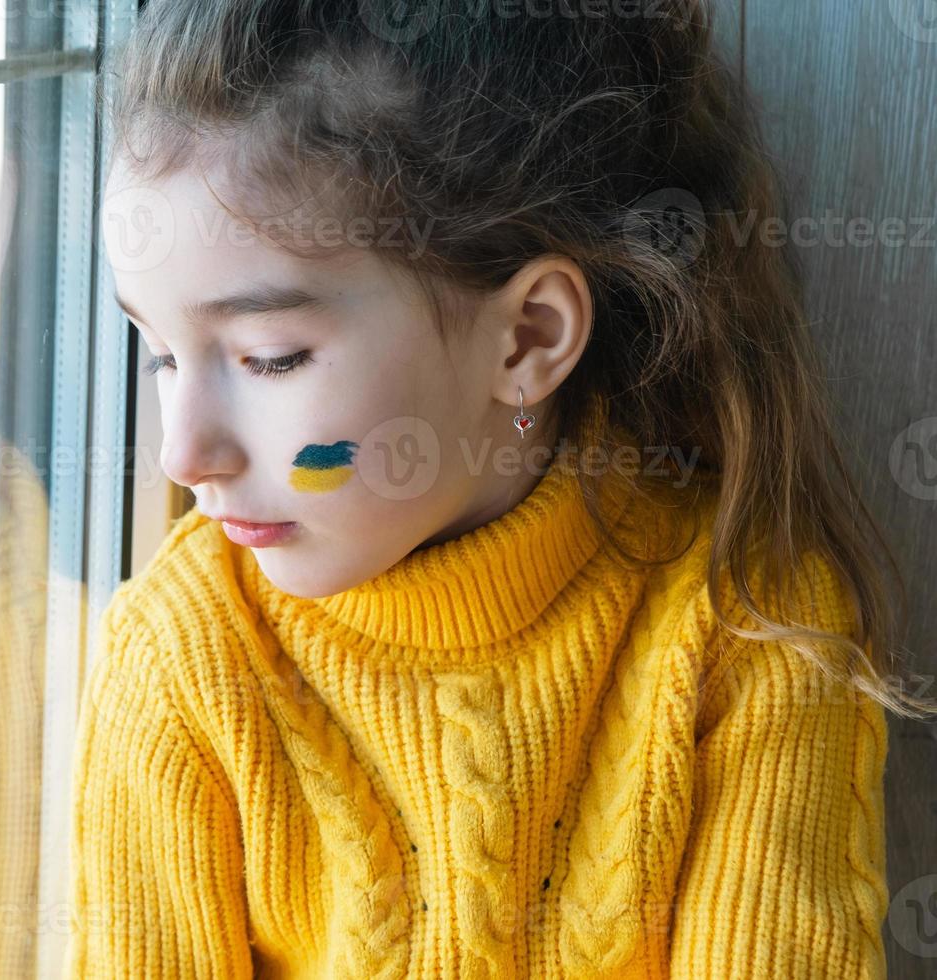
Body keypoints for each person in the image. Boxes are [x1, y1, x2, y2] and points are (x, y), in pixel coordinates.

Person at [64, 1, 937, 976]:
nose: (183, 453)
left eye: (268, 358)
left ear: (525, 339)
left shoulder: (746, 626)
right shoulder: (184, 654)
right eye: (159, 353)